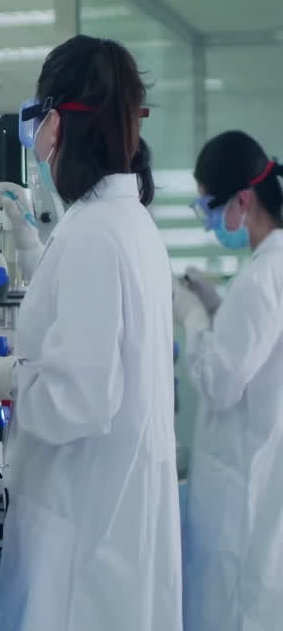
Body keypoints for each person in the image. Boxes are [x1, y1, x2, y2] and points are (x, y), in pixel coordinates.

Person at [0, 35, 181, 631]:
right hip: (109, 534)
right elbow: (92, 333)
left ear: (54, 122)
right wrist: (34, 251)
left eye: (35, 118)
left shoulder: (96, 234)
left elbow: (78, 398)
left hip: (82, 553)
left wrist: (3, 379)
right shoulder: (124, 225)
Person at [174, 130, 283, 631]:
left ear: (243, 199)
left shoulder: (262, 278)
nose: (211, 224)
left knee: (232, 610)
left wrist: (194, 317)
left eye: (210, 210)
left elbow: (221, 382)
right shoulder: (269, 271)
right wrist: (220, 309)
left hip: (242, 496)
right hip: (259, 487)